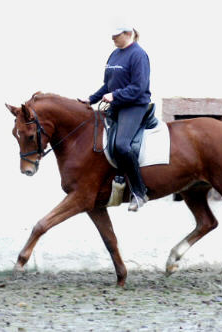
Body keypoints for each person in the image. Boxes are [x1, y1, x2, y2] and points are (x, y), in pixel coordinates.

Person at [81, 25, 151, 211]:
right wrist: (90, 99)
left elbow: (139, 87)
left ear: (128, 34)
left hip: (135, 105)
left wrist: (115, 95)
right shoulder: (114, 54)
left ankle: (139, 191)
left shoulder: (138, 55)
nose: (113, 39)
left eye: (116, 36)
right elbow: (107, 86)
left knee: (121, 145)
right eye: (112, 36)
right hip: (117, 105)